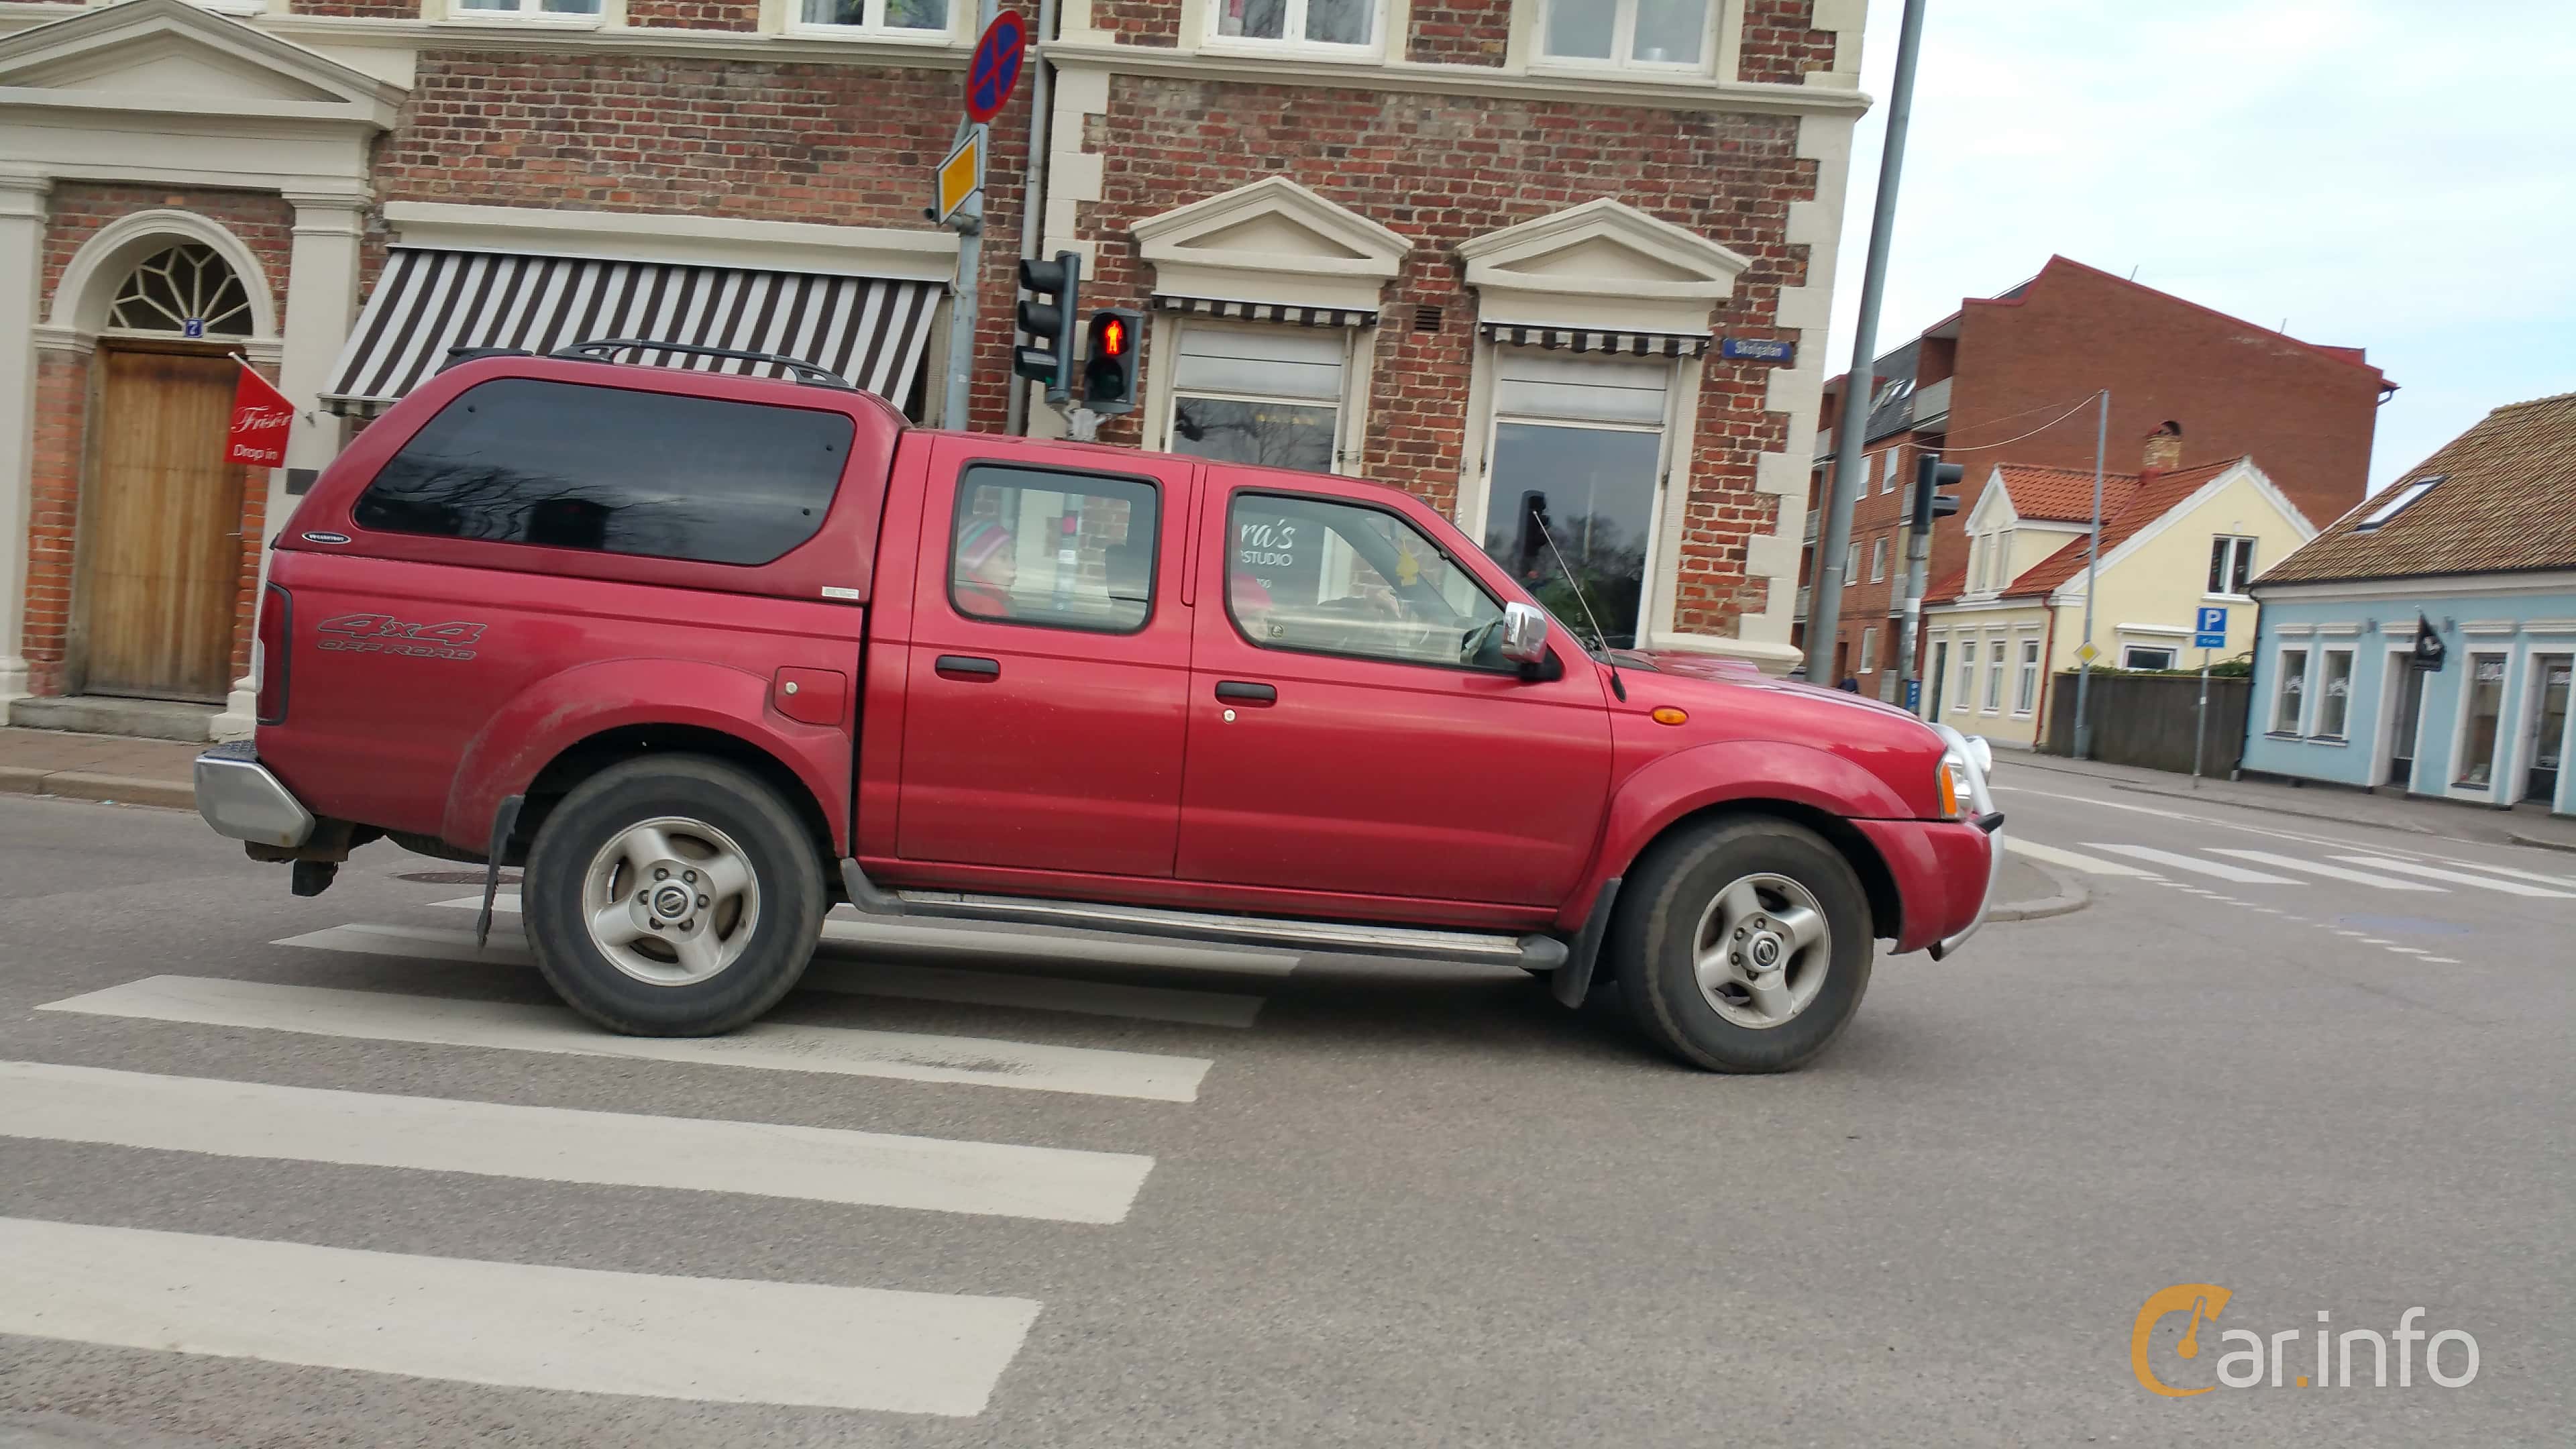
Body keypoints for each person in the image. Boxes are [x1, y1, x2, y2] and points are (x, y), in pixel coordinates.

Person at [953, 517, 1016, 619]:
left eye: (1013, 557)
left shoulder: (960, 596)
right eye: (1003, 557)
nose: (1014, 566)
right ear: (976, 562)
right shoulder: (989, 610)